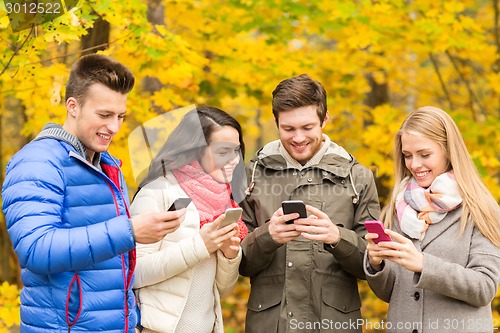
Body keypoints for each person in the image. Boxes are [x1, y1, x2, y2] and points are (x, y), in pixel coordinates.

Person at [2, 54, 183, 333]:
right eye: (104, 115)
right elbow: (35, 249)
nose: (114, 127)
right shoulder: (37, 162)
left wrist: (130, 320)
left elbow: (111, 266)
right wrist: (129, 231)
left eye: (120, 116)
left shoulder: (108, 164)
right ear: (72, 106)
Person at [239, 74, 381, 333]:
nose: (298, 138)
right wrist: (266, 236)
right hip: (269, 325)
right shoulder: (252, 174)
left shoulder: (358, 177)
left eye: (307, 128)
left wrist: (338, 238)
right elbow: (238, 263)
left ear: (325, 119)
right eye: (288, 129)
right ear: (276, 122)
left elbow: (372, 264)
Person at [364, 106, 500, 333]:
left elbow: (484, 288)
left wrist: (424, 265)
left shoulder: (480, 208)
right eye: (408, 156)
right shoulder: (398, 208)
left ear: (448, 150)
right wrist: (377, 264)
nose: (415, 165)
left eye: (424, 155)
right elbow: (388, 293)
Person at [131, 106, 248, 333]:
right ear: (195, 150)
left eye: (236, 150)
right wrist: (201, 245)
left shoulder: (226, 203)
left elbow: (222, 291)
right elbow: (134, 274)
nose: (234, 160)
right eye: (223, 151)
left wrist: (228, 256)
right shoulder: (157, 192)